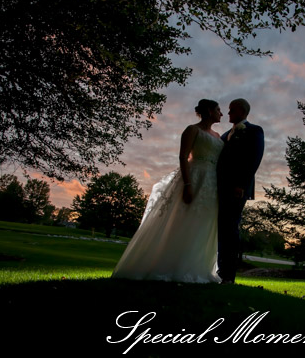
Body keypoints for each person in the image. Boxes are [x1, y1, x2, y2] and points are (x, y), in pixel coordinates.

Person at [109, 99, 222, 283]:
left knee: (203, 223)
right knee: (183, 220)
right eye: (218, 110)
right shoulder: (192, 130)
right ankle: (171, 266)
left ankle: (198, 267)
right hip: (194, 177)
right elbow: (183, 156)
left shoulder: (218, 136)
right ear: (209, 111)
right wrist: (187, 184)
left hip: (211, 182)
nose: (221, 113)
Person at [216, 99, 265, 284]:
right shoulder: (224, 135)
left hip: (237, 189)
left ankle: (228, 275)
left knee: (230, 228)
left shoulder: (254, 131)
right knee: (222, 229)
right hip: (220, 188)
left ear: (242, 111)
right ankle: (220, 271)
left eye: (232, 110)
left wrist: (241, 185)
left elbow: (254, 159)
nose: (228, 113)